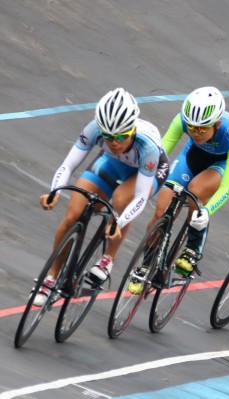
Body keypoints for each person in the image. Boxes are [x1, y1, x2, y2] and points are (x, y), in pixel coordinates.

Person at [35, 88, 169, 306]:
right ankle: (50, 278)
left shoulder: (148, 147)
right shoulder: (94, 129)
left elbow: (141, 198)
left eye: (120, 137)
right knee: (73, 215)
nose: (114, 142)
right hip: (112, 164)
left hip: (143, 171)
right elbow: (68, 165)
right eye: (107, 137)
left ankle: (107, 259)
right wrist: (55, 192)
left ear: (132, 130)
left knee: (120, 200)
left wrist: (120, 221)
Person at [130, 87, 229, 293]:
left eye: (202, 129)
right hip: (194, 157)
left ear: (217, 124)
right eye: (192, 128)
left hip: (225, 164)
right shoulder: (182, 121)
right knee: (161, 210)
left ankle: (192, 249)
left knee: (196, 190)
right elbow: (160, 152)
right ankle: (147, 263)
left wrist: (207, 212)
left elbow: (227, 187)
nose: (195, 133)